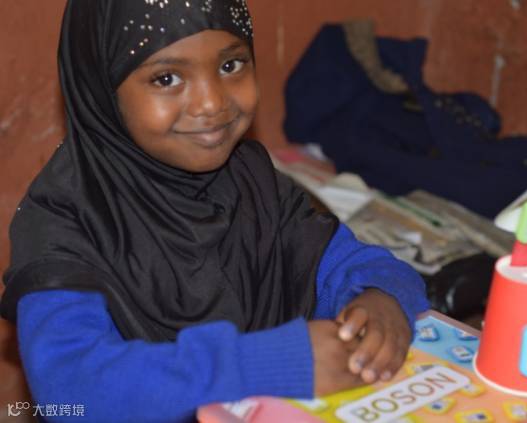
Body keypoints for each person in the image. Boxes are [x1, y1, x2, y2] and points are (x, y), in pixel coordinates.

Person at [0, 1, 429, 421]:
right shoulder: (63, 225)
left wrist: (382, 298)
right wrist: (266, 364)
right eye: (167, 78)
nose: (211, 103)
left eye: (230, 65)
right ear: (101, 90)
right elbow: (73, 391)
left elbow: (361, 264)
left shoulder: (252, 181)